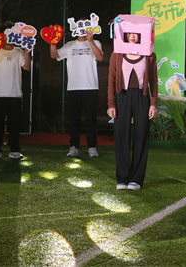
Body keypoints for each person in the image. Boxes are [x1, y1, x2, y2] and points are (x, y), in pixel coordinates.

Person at [107, 32, 158, 190]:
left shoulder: (149, 54)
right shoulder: (117, 53)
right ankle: (122, 178)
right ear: (125, 34)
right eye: (130, 32)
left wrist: (153, 103)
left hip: (142, 98)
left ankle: (136, 179)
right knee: (121, 134)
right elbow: (111, 79)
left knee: (141, 134)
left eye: (137, 33)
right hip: (122, 97)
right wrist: (111, 104)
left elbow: (153, 80)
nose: (133, 36)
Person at [50, 24, 104, 158]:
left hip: (90, 87)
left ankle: (92, 147)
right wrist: (52, 42)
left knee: (91, 119)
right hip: (73, 88)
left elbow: (100, 57)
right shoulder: (70, 45)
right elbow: (54, 55)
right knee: (74, 120)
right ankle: (74, 147)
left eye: (85, 25)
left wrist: (90, 41)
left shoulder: (96, 42)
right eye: (80, 25)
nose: (82, 29)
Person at [0, 22, 31, 160]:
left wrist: (27, 53)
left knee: (15, 124)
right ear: (1, 36)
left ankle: (14, 150)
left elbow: (27, 67)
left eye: (11, 33)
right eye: (6, 33)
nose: (8, 36)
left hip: (15, 94)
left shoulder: (18, 51)